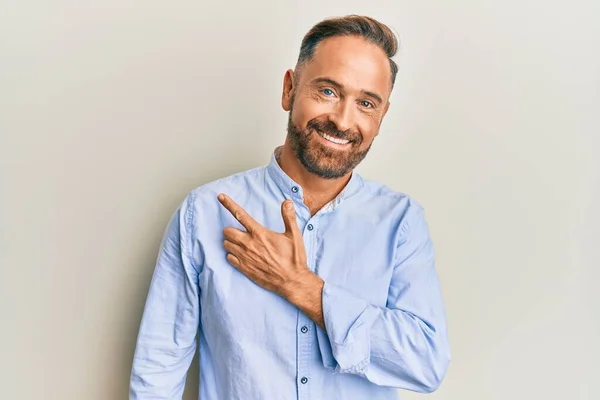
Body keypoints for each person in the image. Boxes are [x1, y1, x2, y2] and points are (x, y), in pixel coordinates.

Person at [130, 14, 451, 400]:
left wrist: (303, 288)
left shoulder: (400, 223)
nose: (342, 120)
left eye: (366, 103)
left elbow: (425, 364)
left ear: (381, 118)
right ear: (289, 90)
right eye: (328, 91)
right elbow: (157, 370)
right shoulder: (204, 213)